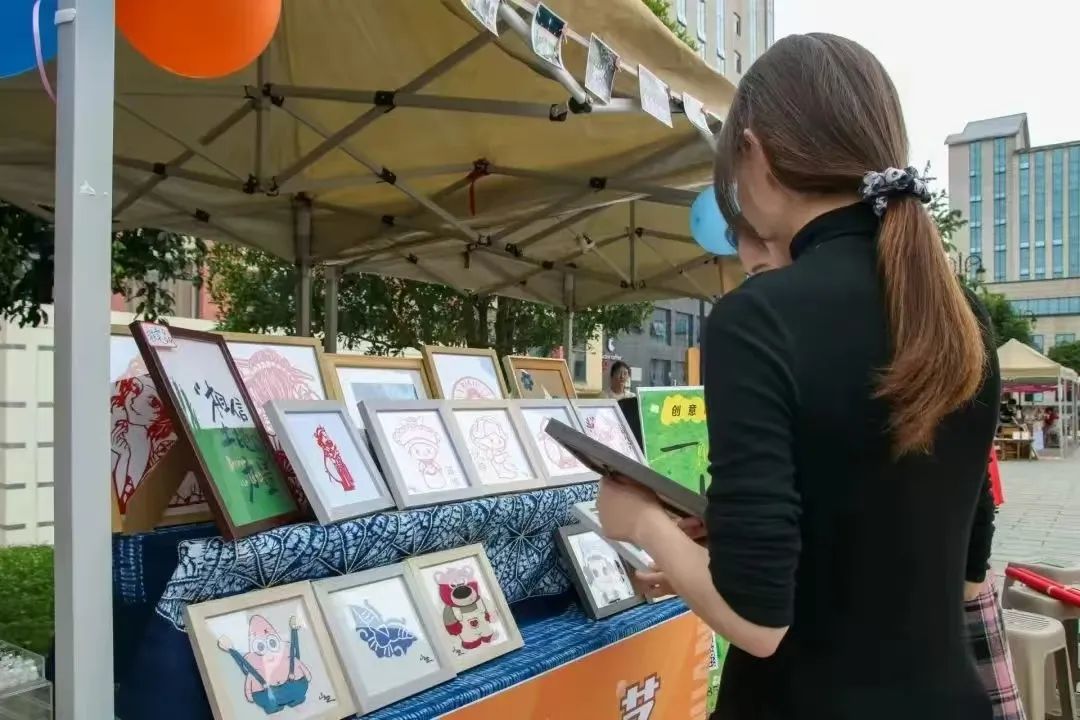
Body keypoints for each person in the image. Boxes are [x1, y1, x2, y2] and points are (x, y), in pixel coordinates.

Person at [597, 33, 1000, 720]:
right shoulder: (961, 318)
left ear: (754, 153)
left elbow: (757, 622)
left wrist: (642, 521)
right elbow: (960, 573)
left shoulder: (758, 319)